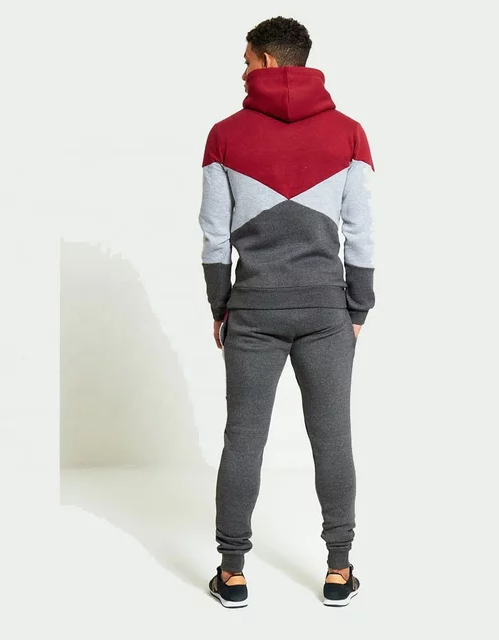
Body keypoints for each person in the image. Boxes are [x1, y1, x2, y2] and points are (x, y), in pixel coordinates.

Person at [198, 16, 375, 608]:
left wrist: (221, 304)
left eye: (247, 59)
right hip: (327, 311)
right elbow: (360, 232)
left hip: (252, 311)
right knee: (333, 438)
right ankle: (339, 570)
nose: (243, 70)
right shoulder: (350, 133)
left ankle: (232, 575)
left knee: (243, 439)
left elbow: (214, 236)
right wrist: (358, 306)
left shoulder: (224, 135)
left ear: (269, 61)